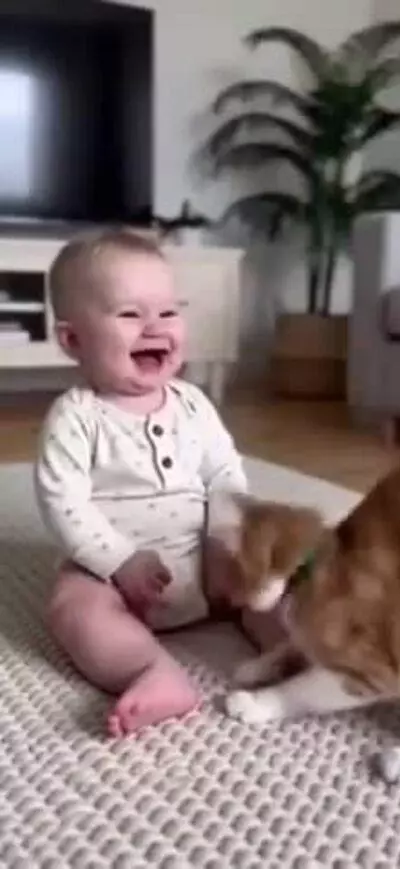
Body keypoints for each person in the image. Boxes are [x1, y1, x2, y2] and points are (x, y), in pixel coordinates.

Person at [34, 228, 248, 737]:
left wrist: (225, 540)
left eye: (169, 312)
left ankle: (294, 649)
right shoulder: (76, 416)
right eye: (130, 314)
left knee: (274, 580)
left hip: (207, 561)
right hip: (118, 581)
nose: (155, 326)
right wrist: (118, 561)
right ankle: (150, 670)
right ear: (73, 340)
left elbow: (225, 473)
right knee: (72, 608)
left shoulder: (194, 403)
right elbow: (63, 502)